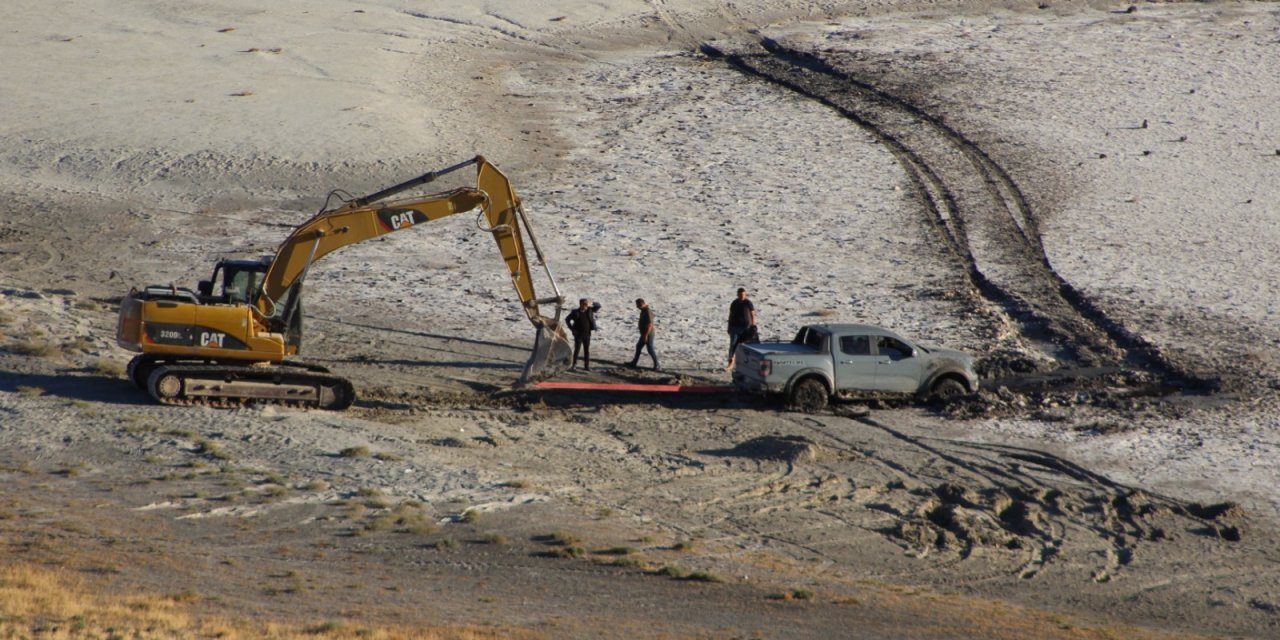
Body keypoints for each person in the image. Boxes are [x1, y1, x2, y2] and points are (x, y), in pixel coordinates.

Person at [564, 298, 600, 371]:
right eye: (584, 304)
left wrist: (592, 302)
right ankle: (574, 365)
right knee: (577, 350)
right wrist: (572, 329)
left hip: (587, 334)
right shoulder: (575, 312)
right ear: (580, 304)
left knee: (586, 350)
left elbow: (598, 306)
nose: (585, 306)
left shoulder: (589, 310)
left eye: (586, 304)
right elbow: (567, 319)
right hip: (578, 334)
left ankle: (586, 366)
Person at [726, 287, 756, 366]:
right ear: (737, 295)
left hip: (746, 328)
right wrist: (729, 326)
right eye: (740, 295)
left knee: (745, 346)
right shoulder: (734, 303)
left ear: (745, 295)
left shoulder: (748, 303)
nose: (742, 296)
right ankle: (731, 361)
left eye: (743, 295)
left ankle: (744, 362)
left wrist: (753, 325)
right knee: (733, 344)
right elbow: (730, 315)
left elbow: (753, 314)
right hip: (735, 327)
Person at [627, 298, 659, 370]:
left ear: (641, 304)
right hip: (644, 333)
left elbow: (650, 325)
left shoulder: (648, 311)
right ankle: (634, 363)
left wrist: (646, 335)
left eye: (637, 305)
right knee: (638, 346)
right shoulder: (643, 310)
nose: (637, 307)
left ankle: (657, 365)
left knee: (650, 349)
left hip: (648, 334)